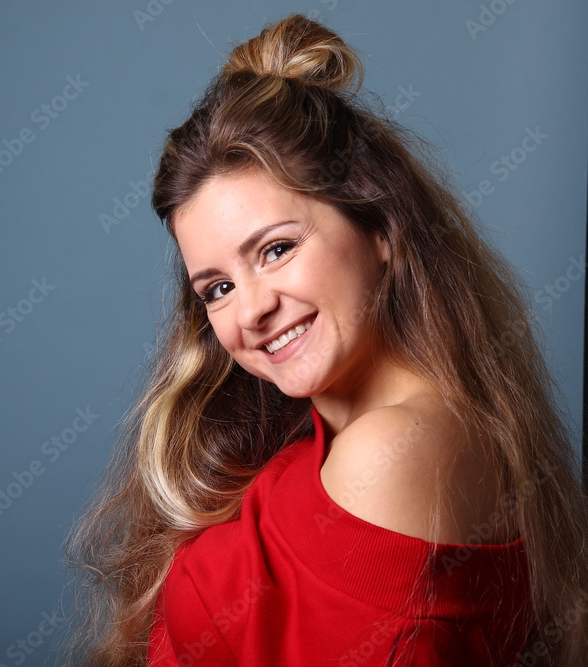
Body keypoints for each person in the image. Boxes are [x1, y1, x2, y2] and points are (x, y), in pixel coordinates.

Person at [57, 12, 588, 667]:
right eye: (215, 288)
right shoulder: (331, 436)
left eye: (277, 249)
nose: (250, 309)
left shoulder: (397, 445)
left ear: (382, 230)